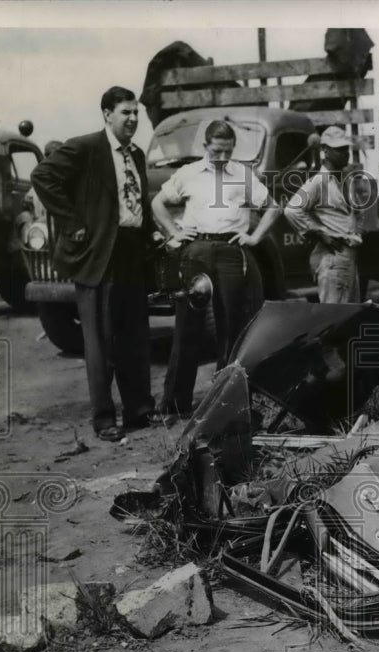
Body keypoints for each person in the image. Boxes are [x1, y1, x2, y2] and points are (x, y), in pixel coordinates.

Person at [31, 87, 156, 442]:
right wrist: (73, 224)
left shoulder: (138, 155)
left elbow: (138, 206)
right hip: (100, 255)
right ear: (106, 114)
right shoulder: (86, 148)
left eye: (135, 113)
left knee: (134, 337)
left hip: (132, 253)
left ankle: (139, 411)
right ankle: (104, 419)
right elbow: (42, 177)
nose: (132, 119)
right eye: (124, 113)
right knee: (100, 342)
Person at [151, 119, 282, 422]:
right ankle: (174, 404)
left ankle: (224, 402)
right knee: (187, 328)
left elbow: (273, 207)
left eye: (227, 151)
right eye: (217, 151)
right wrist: (173, 233)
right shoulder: (188, 174)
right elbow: (158, 203)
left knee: (231, 327)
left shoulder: (243, 174)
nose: (222, 157)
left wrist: (254, 237)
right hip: (195, 251)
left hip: (230, 254)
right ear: (205, 147)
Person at [284, 126, 363, 303]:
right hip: (332, 258)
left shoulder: (345, 179)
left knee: (350, 315)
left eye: (346, 149)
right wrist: (319, 233)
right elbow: (292, 209)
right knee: (334, 316)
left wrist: (357, 231)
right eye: (339, 149)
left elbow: (356, 212)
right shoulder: (318, 182)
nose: (345, 154)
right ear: (325, 151)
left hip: (348, 255)